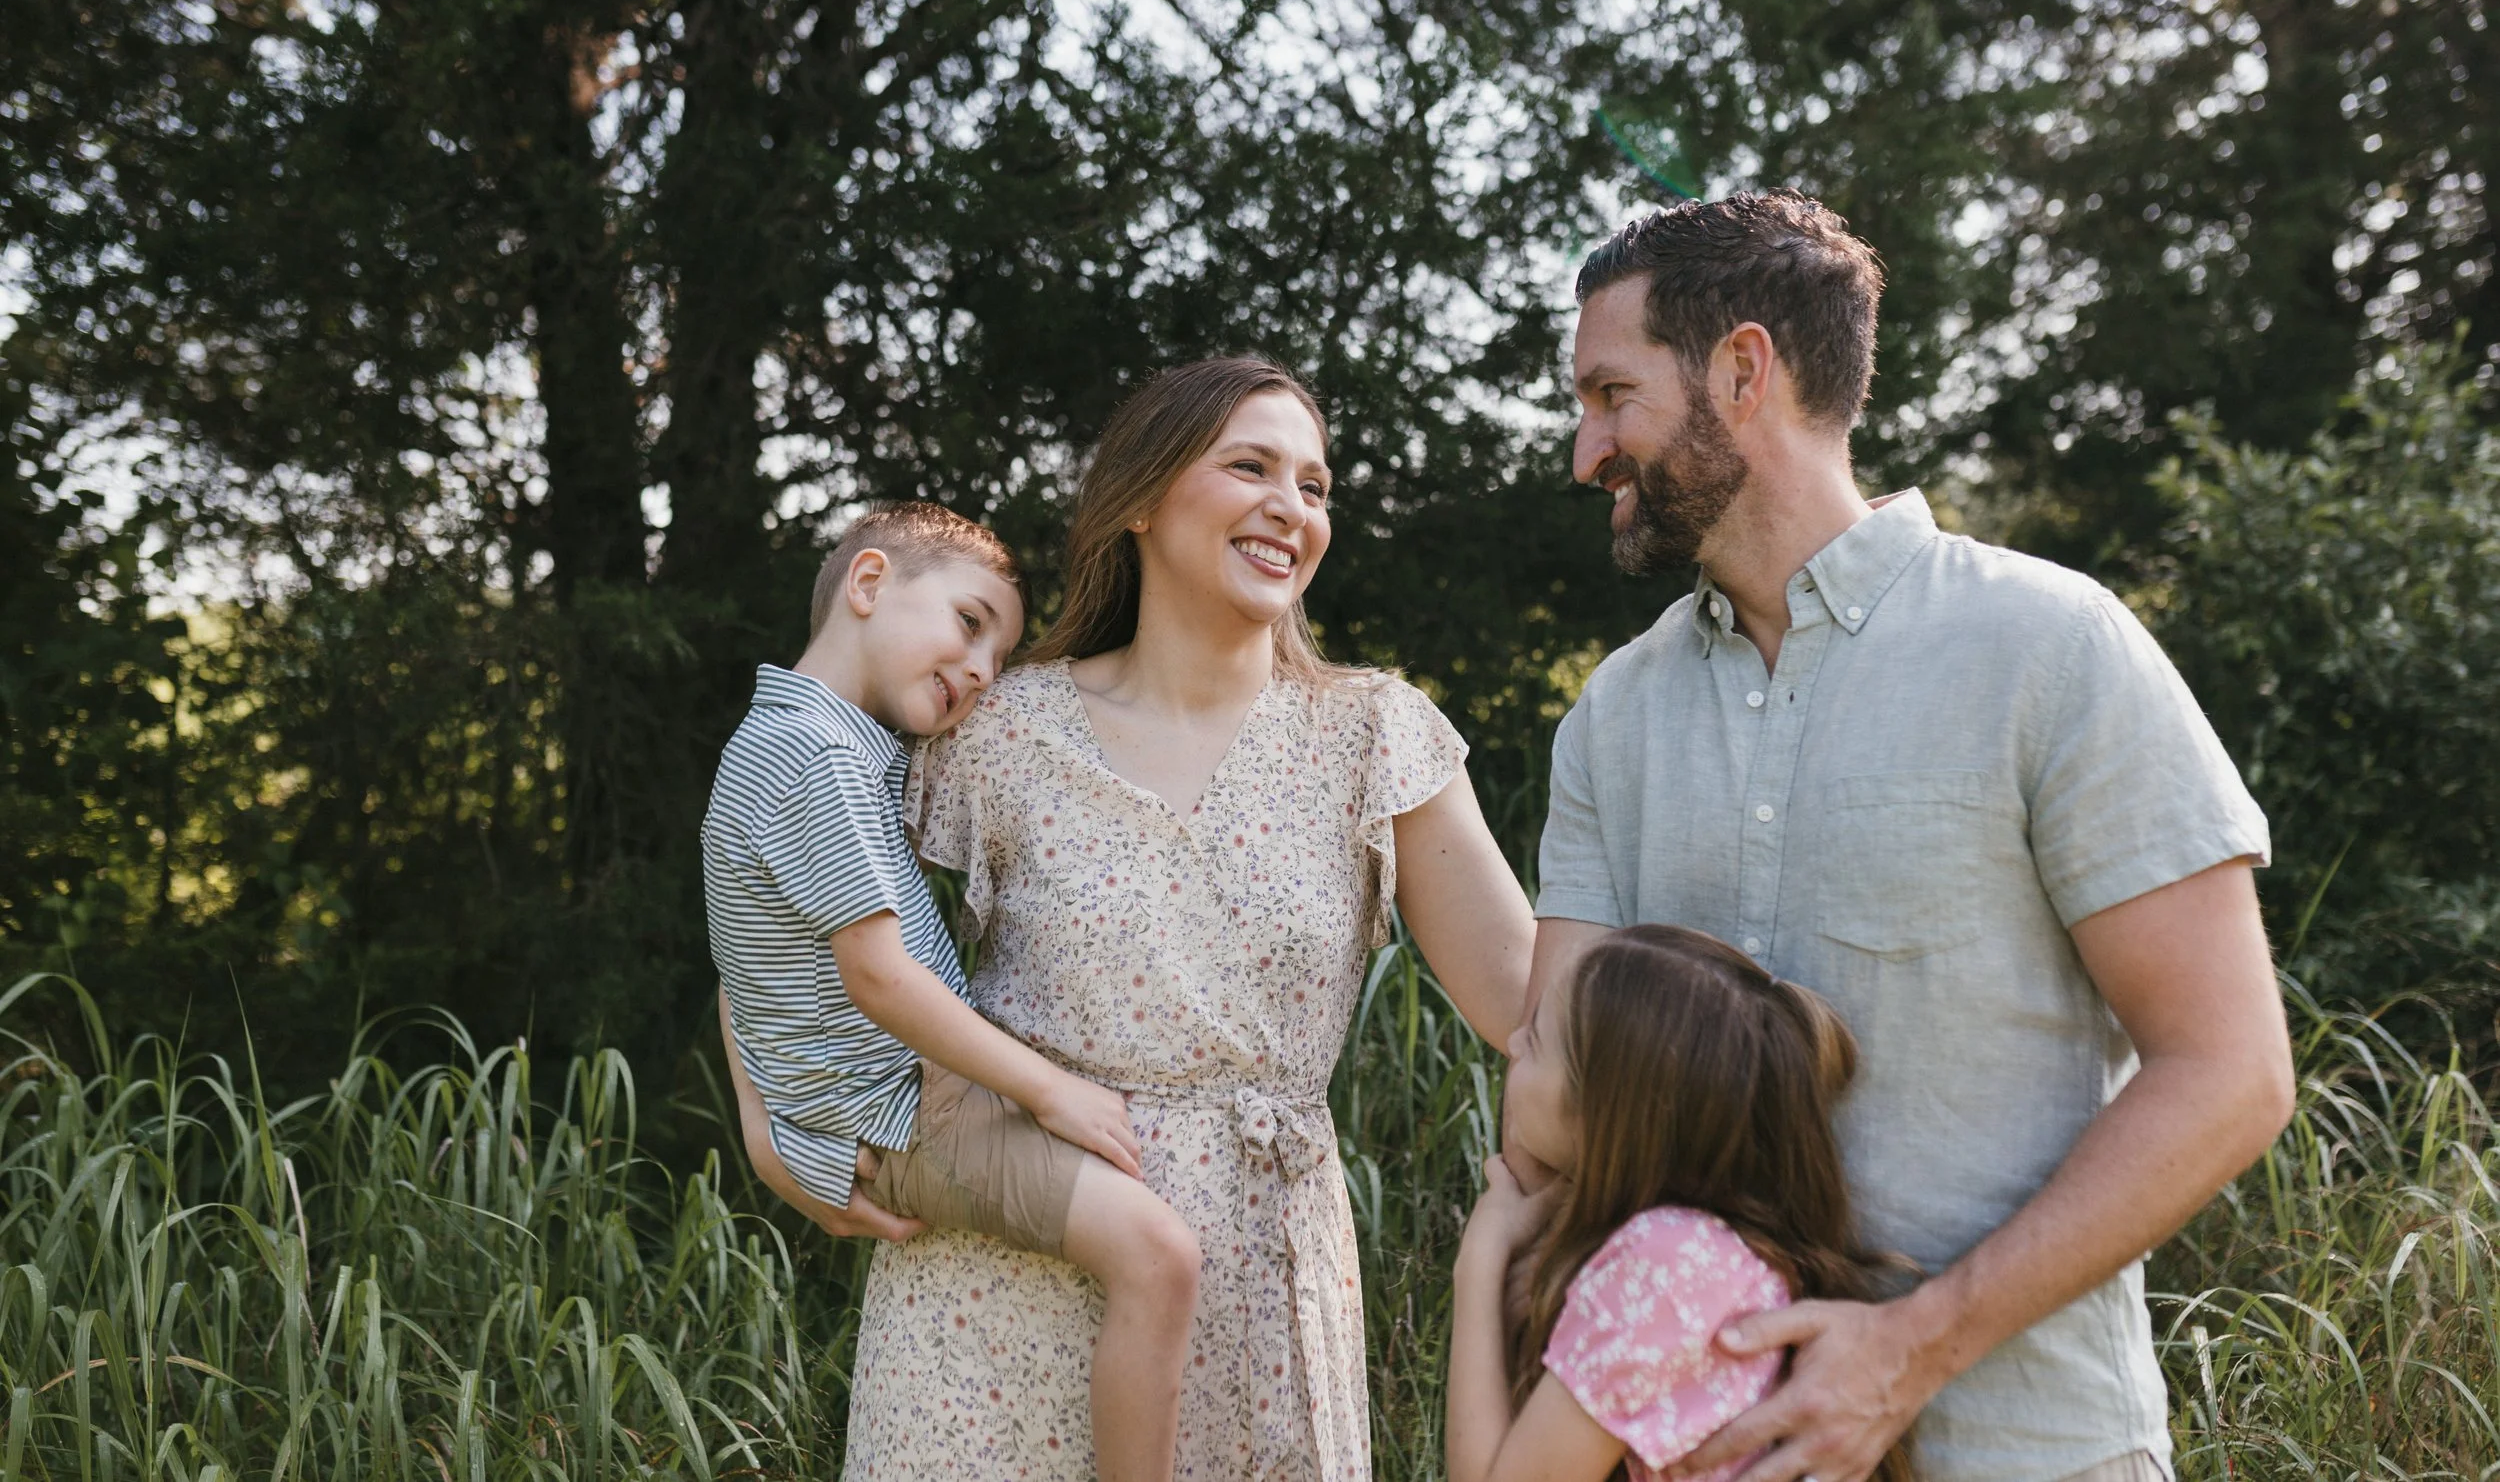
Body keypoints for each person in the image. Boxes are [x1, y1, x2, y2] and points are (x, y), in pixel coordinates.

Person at [1528, 192, 2296, 1482]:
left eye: (1612, 394)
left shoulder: (2051, 645)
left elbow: (2229, 1071)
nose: (1583, 448)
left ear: (1741, 369)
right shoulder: (1610, 718)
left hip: (2033, 1447)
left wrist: (1913, 1344)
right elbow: (1557, 1112)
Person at [735, 356, 1536, 1480]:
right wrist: (769, 1121)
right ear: (1144, 499)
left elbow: (1534, 1011)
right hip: (991, 1294)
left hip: (1257, 1285)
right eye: (1250, 465)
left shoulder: (1372, 735)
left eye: (1314, 486)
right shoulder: (997, 730)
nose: (1290, 506)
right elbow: (775, 893)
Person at [702, 499, 1202, 1482]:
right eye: (970, 622)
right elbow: (879, 977)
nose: (979, 668)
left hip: (875, 1103)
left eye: (997, 655)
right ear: (869, 582)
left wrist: (767, 1125)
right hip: (907, 1110)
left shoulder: (777, 737)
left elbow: (739, 958)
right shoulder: (821, 756)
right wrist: (1048, 1088)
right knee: (1158, 1252)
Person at [1447, 925, 1909, 1482]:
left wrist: (1480, 1257)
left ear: (1607, 1117)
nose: (1515, 1042)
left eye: (1538, 1043)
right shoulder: (1706, 1253)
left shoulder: (1667, 1263)